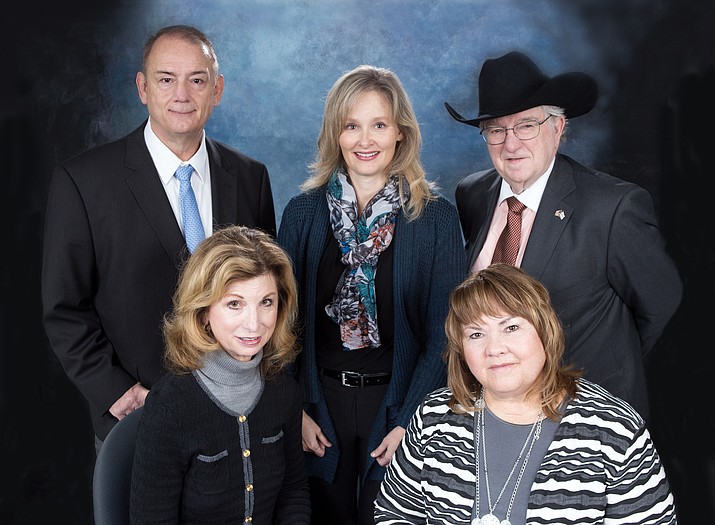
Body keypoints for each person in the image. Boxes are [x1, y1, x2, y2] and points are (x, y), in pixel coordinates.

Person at [41, 25, 276, 450]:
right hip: (138, 416)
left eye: (197, 80)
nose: (182, 94)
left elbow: (266, 296)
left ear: (216, 89)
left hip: (236, 416)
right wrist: (120, 393)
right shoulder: (83, 182)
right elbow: (64, 309)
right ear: (143, 88)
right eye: (166, 79)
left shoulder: (249, 178)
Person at [443, 51, 682, 419]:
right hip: (495, 413)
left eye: (526, 125)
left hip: (587, 413)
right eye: (496, 130)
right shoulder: (472, 195)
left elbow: (660, 302)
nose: (511, 143)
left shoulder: (613, 207)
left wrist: (608, 363)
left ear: (557, 128)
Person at [277, 64, 466, 524]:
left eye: (379, 125)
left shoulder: (436, 219)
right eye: (352, 125)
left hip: (400, 402)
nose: (366, 140)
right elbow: (280, 324)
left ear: (400, 132)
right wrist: (296, 408)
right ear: (335, 134)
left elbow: (446, 333)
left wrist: (410, 420)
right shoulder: (302, 214)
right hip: (320, 406)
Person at [375, 263, 678, 524]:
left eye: (511, 328)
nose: (494, 349)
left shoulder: (614, 429)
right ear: (461, 349)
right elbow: (395, 513)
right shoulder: (433, 417)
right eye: (476, 334)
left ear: (545, 331)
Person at [130, 225, 309, 523]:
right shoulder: (170, 405)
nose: (254, 324)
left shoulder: (283, 390)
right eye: (234, 304)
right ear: (204, 313)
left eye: (266, 302)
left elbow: (293, 492)